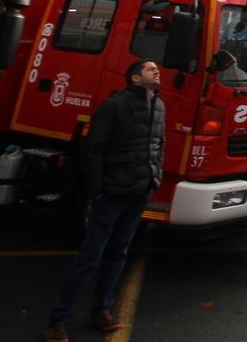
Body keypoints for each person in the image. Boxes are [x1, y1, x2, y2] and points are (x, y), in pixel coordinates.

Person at [45, 59, 165, 341]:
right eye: (150, 69)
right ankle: (58, 319)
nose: (157, 71)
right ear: (135, 79)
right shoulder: (114, 106)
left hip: (140, 190)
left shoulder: (159, 106)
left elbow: (159, 144)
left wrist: (155, 177)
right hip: (113, 191)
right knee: (91, 255)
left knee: (119, 252)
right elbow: (94, 149)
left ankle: (102, 310)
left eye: (156, 69)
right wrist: (98, 188)